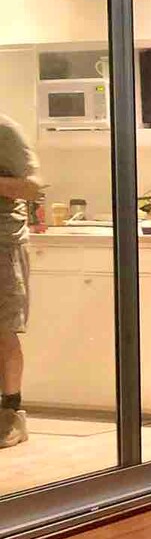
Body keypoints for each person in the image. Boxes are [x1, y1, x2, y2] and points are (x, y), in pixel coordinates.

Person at [0, 114, 42, 449]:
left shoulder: (5, 129)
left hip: (2, 244)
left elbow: (33, 187)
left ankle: (12, 416)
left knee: (3, 329)